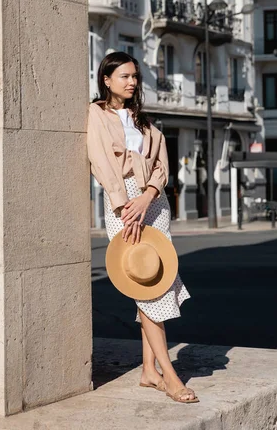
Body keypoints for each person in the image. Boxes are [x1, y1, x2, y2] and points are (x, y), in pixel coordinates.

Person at [87, 52, 199, 404]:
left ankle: (149, 370)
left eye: (135, 76)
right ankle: (170, 375)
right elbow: (101, 161)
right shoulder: (97, 115)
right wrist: (125, 205)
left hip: (153, 203)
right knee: (145, 288)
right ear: (106, 79)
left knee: (155, 277)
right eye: (124, 76)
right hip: (124, 203)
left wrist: (149, 195)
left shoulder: (144, 121)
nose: (132, 82)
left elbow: (162, 166)